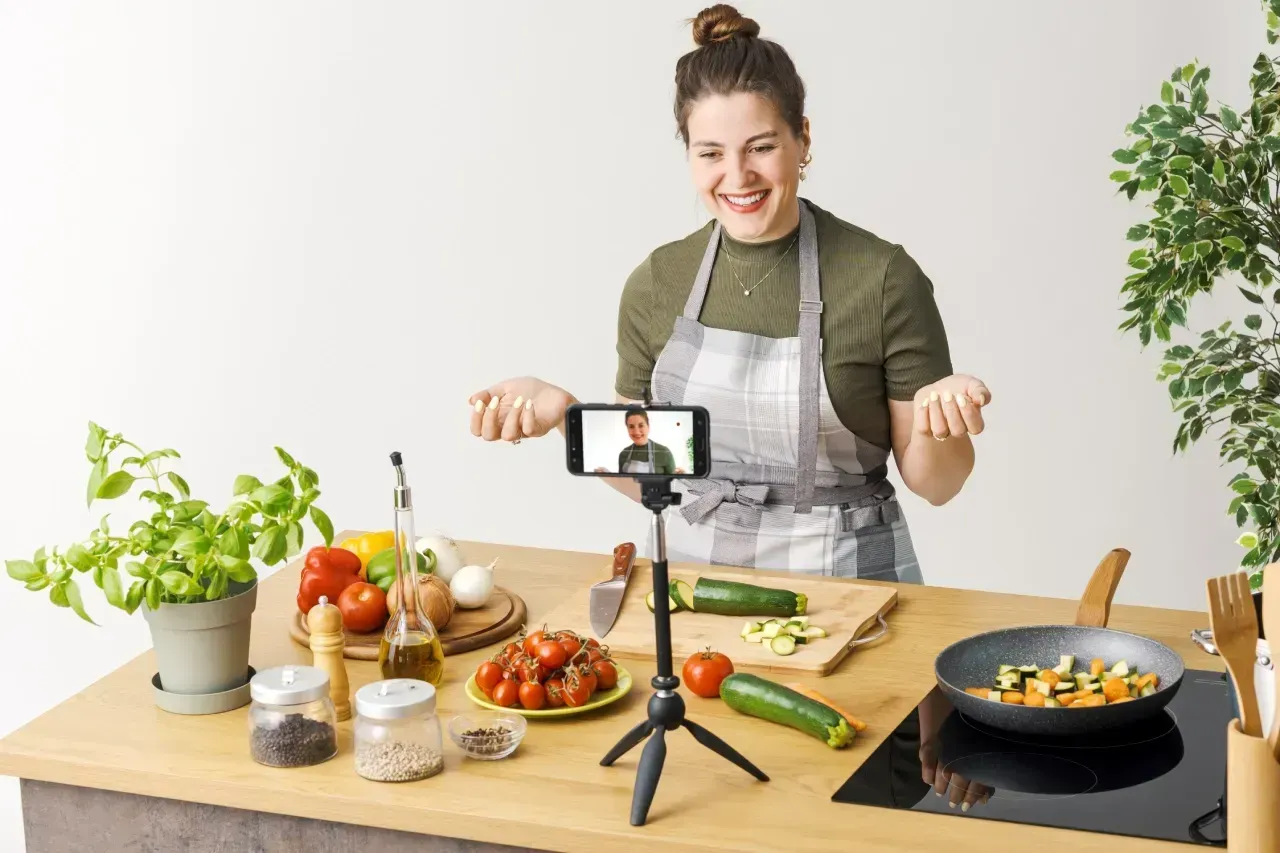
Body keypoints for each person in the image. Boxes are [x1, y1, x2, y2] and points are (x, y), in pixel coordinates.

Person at [467, 4, 992, 584]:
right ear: (688, 152)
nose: (737, 177)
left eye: (761, 147)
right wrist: (566, 416)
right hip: (694, 599)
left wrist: (941, 423)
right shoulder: (658, 282)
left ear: (803, 139)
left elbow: (937, 485)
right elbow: (655, 480)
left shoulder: (883, 278)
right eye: (711, 153)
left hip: (854, 592)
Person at [594, 409, 682, 475]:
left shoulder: (664, 452)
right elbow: (622, 484)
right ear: (627, 428)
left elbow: (674, 485)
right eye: (631, 427)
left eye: (641, 425)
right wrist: (607, 475)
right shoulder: (624, 454)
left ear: (648, 426)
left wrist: (682, 478)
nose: (636, 432)